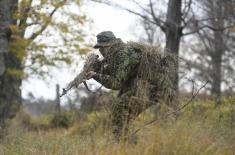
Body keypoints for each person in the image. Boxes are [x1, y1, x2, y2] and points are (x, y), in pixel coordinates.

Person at [86, 31, 176, 141]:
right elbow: (116, 71)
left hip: (156, 88)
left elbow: (116, 82)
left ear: (110, 45)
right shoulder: (116, 54)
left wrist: (96, 75)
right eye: (99, 48)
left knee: (120, 109)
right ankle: (127, 143)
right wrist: (97, 68)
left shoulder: (123, 54)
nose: (100, 50)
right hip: (146, 84)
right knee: (121, 112)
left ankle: (125, 143)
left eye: (102, 47)